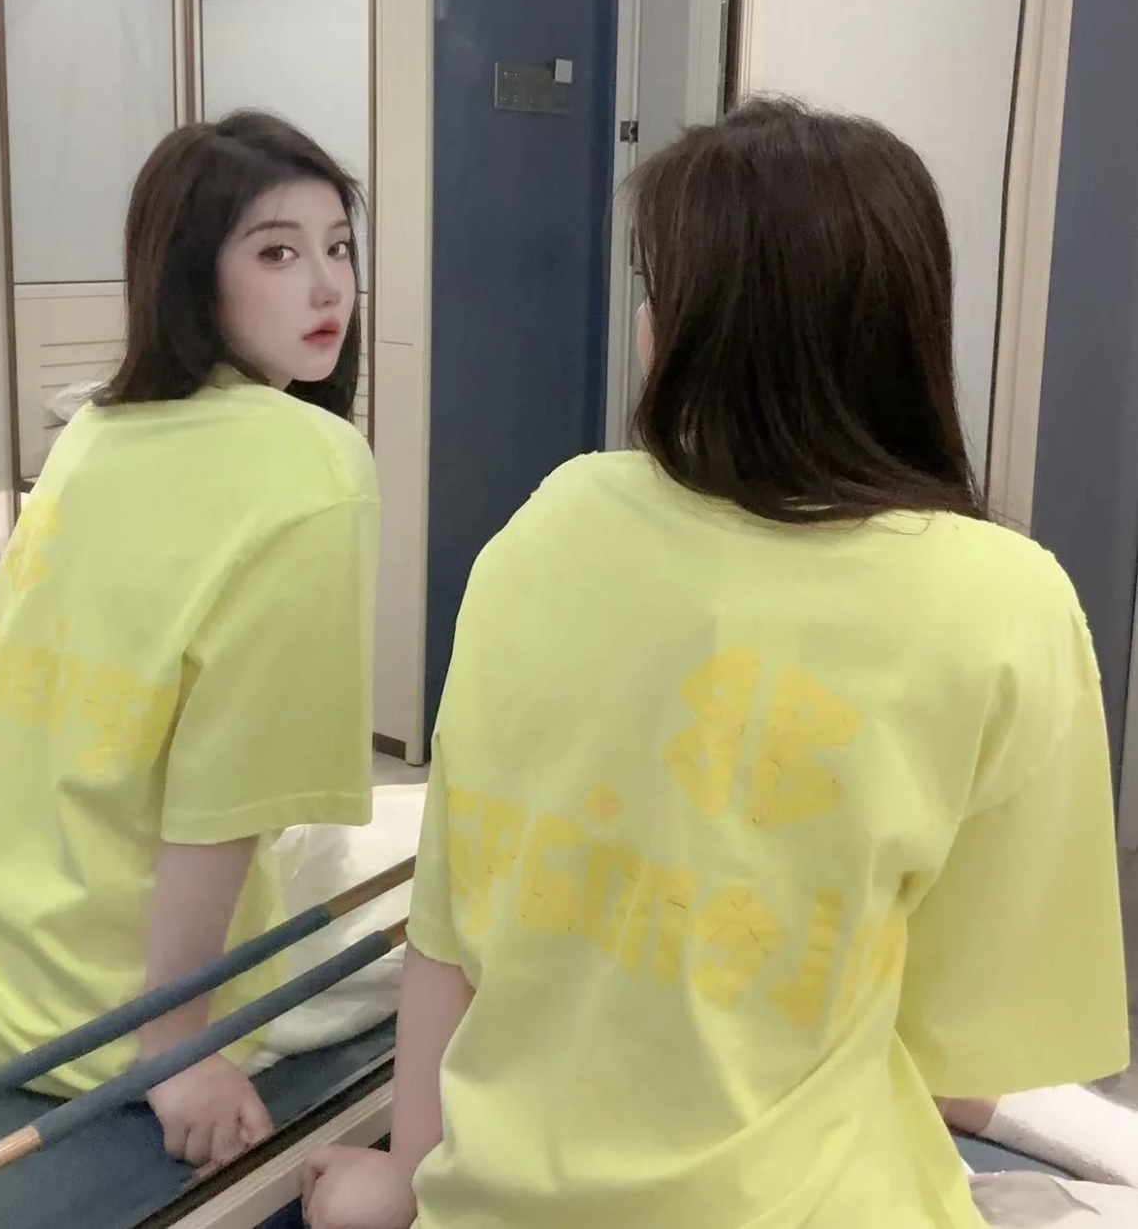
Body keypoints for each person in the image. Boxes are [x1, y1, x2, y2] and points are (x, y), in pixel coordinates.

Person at [303, 98, 1130, 1229]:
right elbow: (961, 1058)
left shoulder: (553, 518)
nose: (645, 321)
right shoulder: (1006, 601)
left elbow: (445, 927)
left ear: (701, 325)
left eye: (659, 289)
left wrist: (404, 1177)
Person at [0, 111, 379, 1172]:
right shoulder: (316, 466)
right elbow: (223, 799)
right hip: (89, 1004)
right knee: (454, 895)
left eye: (338, 248)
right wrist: (174, 1047)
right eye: (277, 253)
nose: (327, 289)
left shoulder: (92, 429)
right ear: (192, 272)